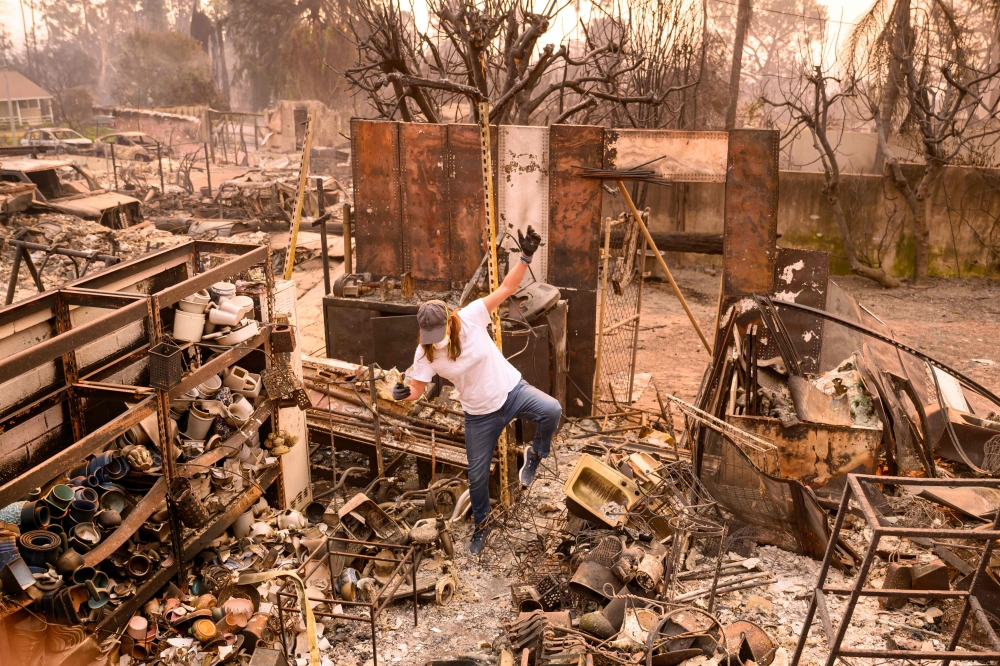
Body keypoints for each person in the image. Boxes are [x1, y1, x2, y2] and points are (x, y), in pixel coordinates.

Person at [391, 226, 563, 555]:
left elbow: (508, 288)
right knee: (477, 477)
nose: (435, 339)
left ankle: (535, 456)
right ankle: (482, 526)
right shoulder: (425, 351)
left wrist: (526, 256)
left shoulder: (471, 316)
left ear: (450, 320)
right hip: (479, 415)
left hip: (511, 390)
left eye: (439, 331)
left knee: (551, 410)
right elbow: (416, 388)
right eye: (429, 334)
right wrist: (403, 395)